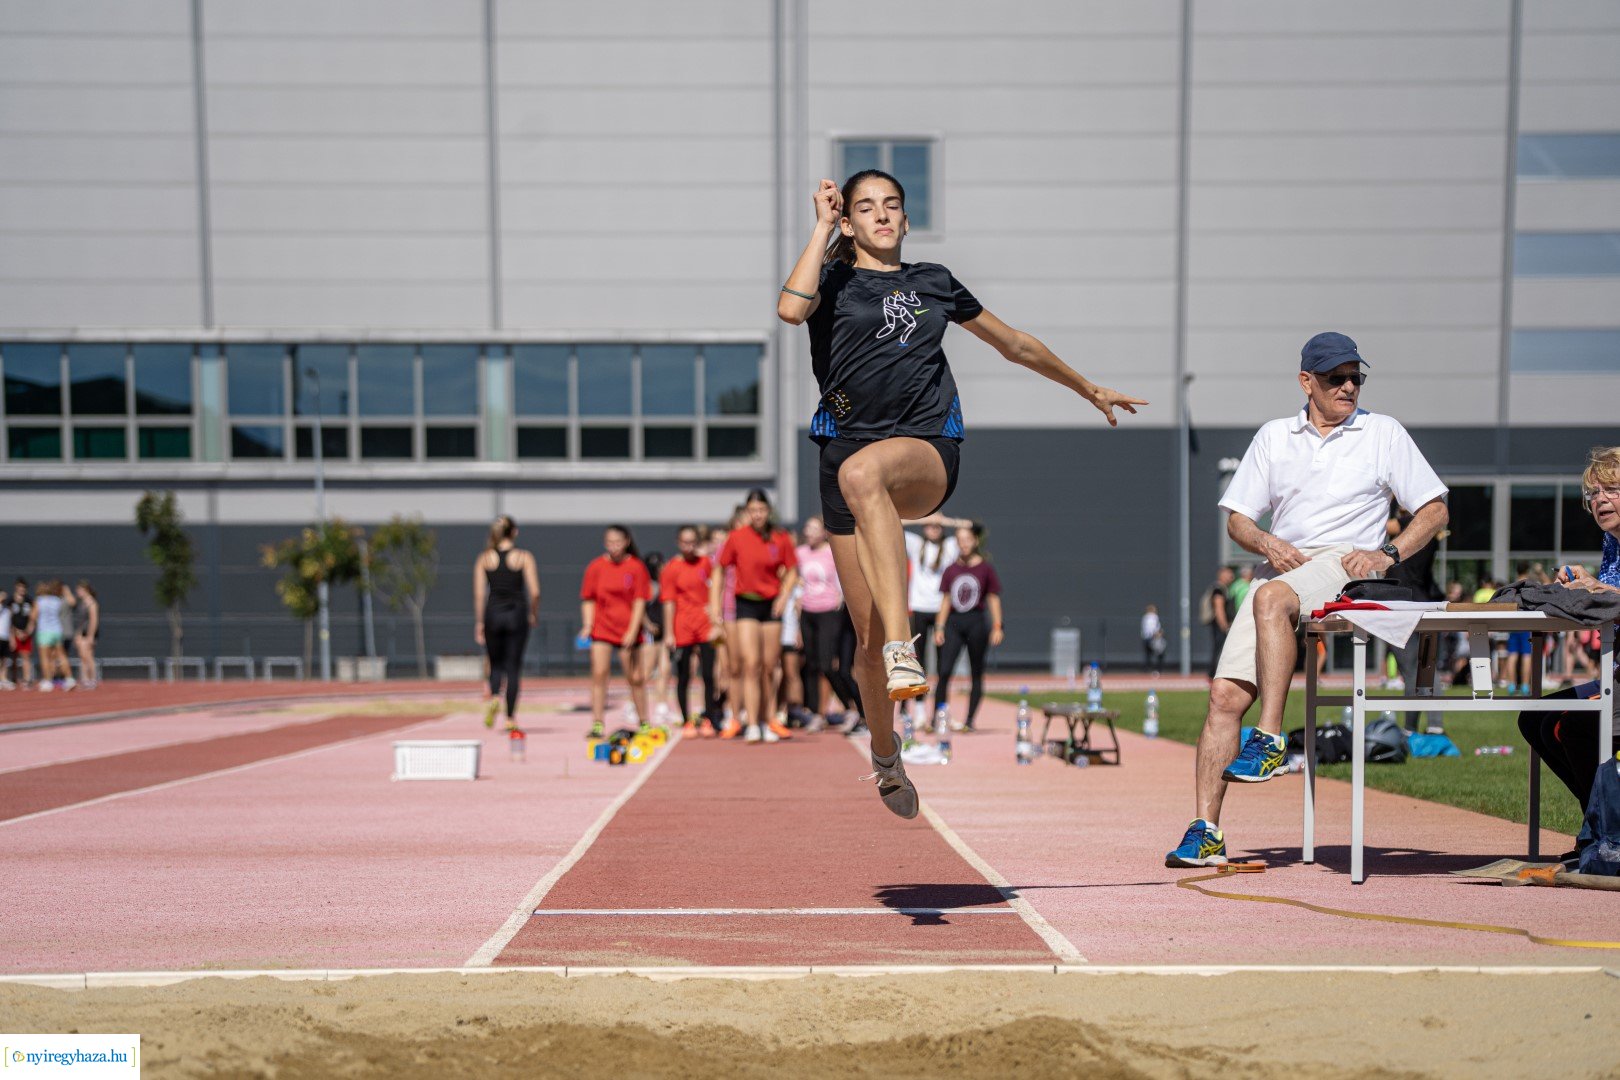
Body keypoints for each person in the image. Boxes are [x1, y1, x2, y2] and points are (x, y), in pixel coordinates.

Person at [777, 168, 1145, 817]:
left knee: (865, 476)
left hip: (923, 451)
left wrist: (1088, 386)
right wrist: (819, 228)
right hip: (842, 452)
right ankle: (887, 759)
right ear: (850, 221)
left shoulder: (934, 282)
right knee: (861, 642)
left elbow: (1014, 344)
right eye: (866, 208)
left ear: (907, 220)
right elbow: (789, 308)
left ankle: (903, 646)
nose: (882, 216)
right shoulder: (831, 279)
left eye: (892, 205)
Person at [1166, 331, 1448, 868]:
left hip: (1343, 563)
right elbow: (1239, 520)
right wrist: (1268, 541)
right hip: (1284, 562)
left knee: (1271, 596)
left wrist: (1387, 552)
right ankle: (1205, 831)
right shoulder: (1275, 436)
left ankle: (1270, 738)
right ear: (1306, 382)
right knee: (1224, 697)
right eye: (1336, 377)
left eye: (1356, 377)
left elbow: (1434, 509)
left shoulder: (1381, 431)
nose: (1349, 386)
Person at [1518, 445, 1620, 856]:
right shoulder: (1612, 540)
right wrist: (1587, 580)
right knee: (1535, 717)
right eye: (1592, 493)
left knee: (1576, 725)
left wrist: (1600, 590)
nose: (1599, 500)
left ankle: (1605, 837)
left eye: (1610, 489)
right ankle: (1601, 826)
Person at [717, 488, 799, 744]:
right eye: (752, 511)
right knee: (750, 663)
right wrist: (715, 608)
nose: (757, 515)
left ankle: (768, 718)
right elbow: (720, 569)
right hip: (746, 604)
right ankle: (751, 722)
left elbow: (793, 570)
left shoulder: (780, 537)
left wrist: (784, 596)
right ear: (747, 512)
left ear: (768, 511)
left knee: (769, 665)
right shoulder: (737, 537)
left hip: (771, 605)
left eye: (761, 510)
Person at [580, 524, 652, 739]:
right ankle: (598, 723)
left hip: (627, 630)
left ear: (626, 542)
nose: (614, 547)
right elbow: (588, 598)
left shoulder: (636, 567)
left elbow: (640, 600)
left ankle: (644, 721)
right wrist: (588, 624)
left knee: (635, 677)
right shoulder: (596, 567)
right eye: (610, 542)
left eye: (618, 542)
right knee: (599, 674)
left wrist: (632, 630)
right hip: (602, 629)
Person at [932, 522, 1002, 732]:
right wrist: (939, 626)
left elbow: (993, 598)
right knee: (944, 671)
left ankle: (969, 720)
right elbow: (945, 600)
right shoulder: (951, 569)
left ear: (975, 541)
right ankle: (939, 718)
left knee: (976, 672)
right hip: (954, 623)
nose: (963, 544)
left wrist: (998, 626)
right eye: (959, 540)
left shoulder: (985, 568)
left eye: (967, 540)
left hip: (977, 623)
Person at [473, 516, 540, 731]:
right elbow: (535, 591)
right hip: (517, 613)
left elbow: (479, 594)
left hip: (493, 613)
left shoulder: (484, 558)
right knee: (513, 667)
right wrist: (533, 613)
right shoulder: (524, 557)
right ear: (514, 532)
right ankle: (510, 717)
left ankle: (494, 696)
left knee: (495, 664)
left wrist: (479, 622)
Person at [796, 516, 862, 733]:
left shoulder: (831, 552)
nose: (810, 532)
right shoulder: (801, 553)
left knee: (827, 664)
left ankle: (849, 706)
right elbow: (796, 580)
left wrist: (841, 598)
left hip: (829, 612)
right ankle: (816, 713)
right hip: (807, 611)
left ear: (824, 532)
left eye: (815, 529)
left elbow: (845, 576)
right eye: (808, 528)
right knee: (812, 665)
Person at [662, 525, 723, 736]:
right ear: (678, 543)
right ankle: (687, 720)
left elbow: (716, 588)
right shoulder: (671, 567)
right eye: (684, 542)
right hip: (682, 627)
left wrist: (716, 619)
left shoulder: (706, 563)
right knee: (684, 675)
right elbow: (668, 601)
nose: (688, 546)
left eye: (692, 542)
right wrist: (669, 632)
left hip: (705, 625)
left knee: (708, 674)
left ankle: (708, 717)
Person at [29, 580, 75, 691]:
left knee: (45, 657)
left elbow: (33, 616)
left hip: (44, 631)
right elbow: (67, 607)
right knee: (62, 655)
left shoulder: (39, 601)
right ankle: (69, 679)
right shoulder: (56, 600)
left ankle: (47, 681)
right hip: (57, 630)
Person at [1202, 567, 1235, 680]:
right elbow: (1218, 607)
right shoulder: (1219, 589)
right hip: (1219, 625)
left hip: (1218, 624)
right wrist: (1224, 626)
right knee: (1219, 649)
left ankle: (1214, 673)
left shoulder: (1222, 588)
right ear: (1221, 575)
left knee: (1218, 648)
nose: (1232, 577)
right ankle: (1213, 674)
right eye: (1229, 574)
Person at [71, 580, 100, 690]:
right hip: (82, 633)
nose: (77, 592)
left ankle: (93, 679)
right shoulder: (82, 603)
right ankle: (85, 679)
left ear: (85, 590)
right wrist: (77, 634)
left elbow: (94, 620)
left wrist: (90, 636)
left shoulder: (92, 603)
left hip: (89, 633)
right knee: (82, 657)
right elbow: (81, 621)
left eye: (79, 590)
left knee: (89, 656)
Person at [8, 579, 34, 688]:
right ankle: (13, 679)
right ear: (16, 587)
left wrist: (27, 631)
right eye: (20, 587)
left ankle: (27, 679)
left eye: (23, 587)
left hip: (25, 633)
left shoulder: (29, 600)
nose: (22, 589)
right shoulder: (11, 601)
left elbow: (32, 618)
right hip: (14, 632)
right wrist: (14, 633)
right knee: (12, 657)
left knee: (25, 656)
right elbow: (8, 618)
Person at [1141, 604, 1165, 673]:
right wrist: (1158, 633)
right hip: (1152, 639)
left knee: (1148, 655)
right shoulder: (1153, 617)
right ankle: (1158, 669)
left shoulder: (1145, 617)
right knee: (1159, 653)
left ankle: (1147, 669)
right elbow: (1153, 629)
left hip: (1146, 639)